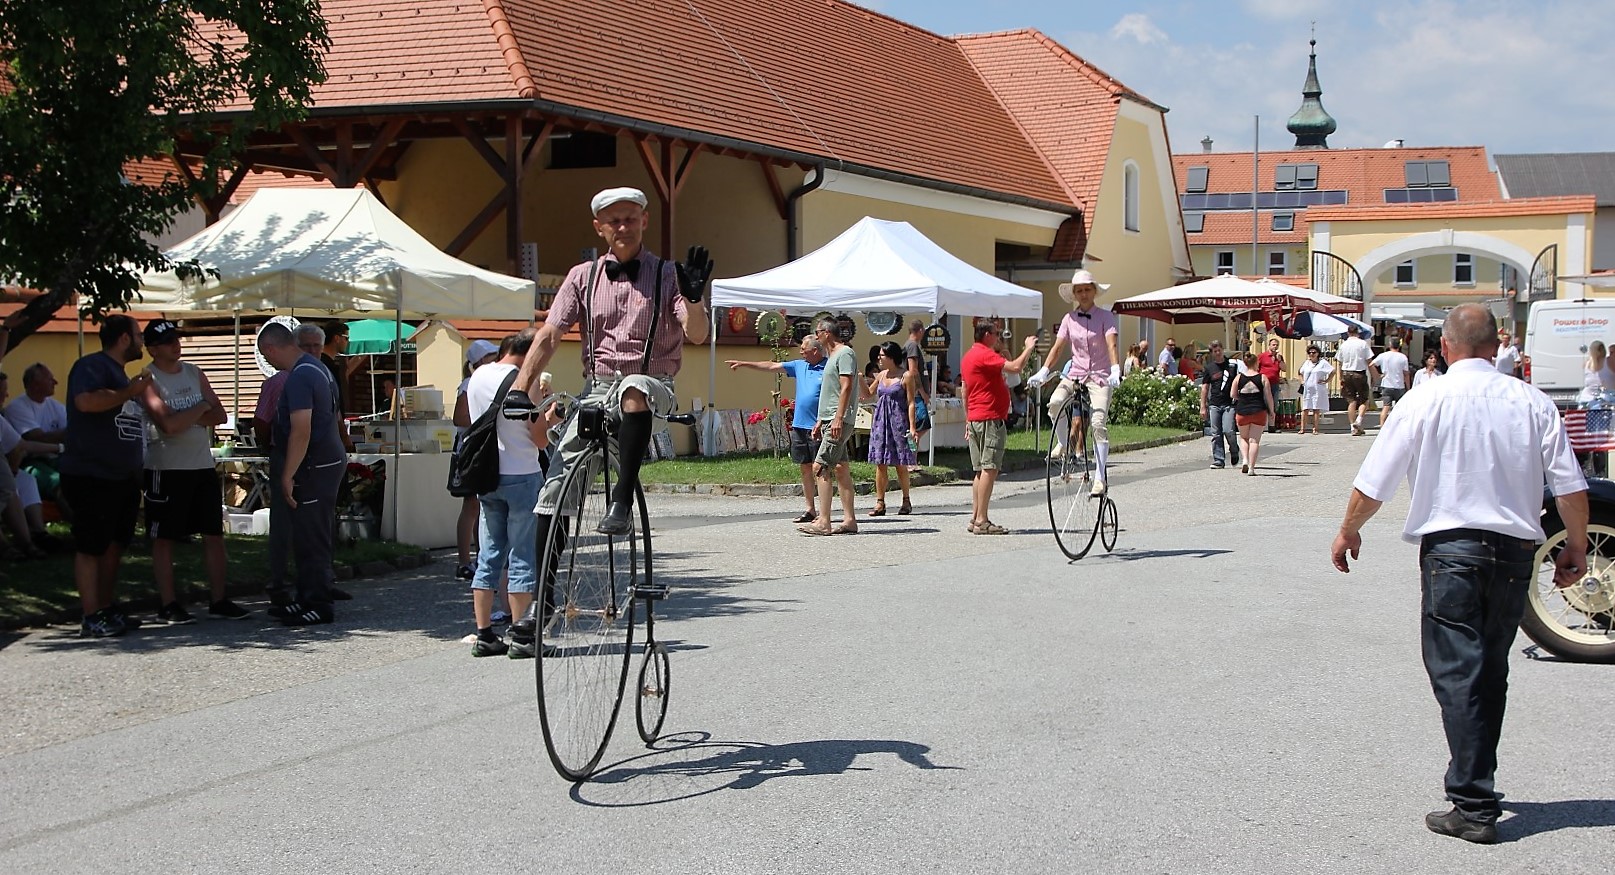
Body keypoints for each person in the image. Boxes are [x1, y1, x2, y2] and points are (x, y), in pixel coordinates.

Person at [1331, 303, 1588, 845]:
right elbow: (1570, 488)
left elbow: (1374, 478)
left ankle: (1472, 802)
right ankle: (1477, 782)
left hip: (1453, 550)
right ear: (1496, 348)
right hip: (1516, 552)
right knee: (1489, 669)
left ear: (1444, 349)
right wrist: (1578, 548)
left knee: (1457, 672)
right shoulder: (1533, 402)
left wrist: (1349, 530)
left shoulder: (1424, 398)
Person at [513, 186, 711, 543]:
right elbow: (550, 334)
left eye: (631, 219)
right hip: (597, 390)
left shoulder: (668, 275)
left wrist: (694, 299)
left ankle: (620, 503)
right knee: (553, 494)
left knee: (634, 387)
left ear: (644, 221)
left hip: (654, 386)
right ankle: (544, 598)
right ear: (599, 227)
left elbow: (696, 333)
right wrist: (518, 389)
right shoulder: (581, 277)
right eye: (614, 221)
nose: (623, 227)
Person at [135, 320, 251, 624]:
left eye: (177, 338)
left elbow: (220, 414)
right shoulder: (147, 379)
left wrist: (192, 412)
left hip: (200, 465)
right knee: (165, 538)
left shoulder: (194, 373)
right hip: (167, 467)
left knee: (213, 534)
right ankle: (168, 603)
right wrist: (200, 409)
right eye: (168, 340)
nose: (176, 344)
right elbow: (168, 425)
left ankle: (219, 599)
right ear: (153, 348)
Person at [60, 315, 153, 637]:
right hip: (91, 474)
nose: (143, 342)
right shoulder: (91, 367)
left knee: (114, 545)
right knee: (91, 546)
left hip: (121, 478)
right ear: (124, 339)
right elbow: (85, 402)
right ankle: (90, 615)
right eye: (139, 335)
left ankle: (105, 607)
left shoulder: (119, 375)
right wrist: (130, 391)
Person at [464, 328, 553, 658]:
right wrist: (550, 410)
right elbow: (540, 438)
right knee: (522, 557)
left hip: (486, 475)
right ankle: (522, 636)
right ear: (532, 354)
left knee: (488, 555)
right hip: (521, 473)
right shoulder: (525, 381)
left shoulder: (478, 376)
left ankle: (484, 633)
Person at [258, 321, 347, 626]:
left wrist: (287, 474)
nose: (268, 362)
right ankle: (305, 596)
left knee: (312, 536)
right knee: (309, 533)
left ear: (271, 348)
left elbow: (301, 429)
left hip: (314, 464)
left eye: (266, 356)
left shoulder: (300, 376)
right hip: (325, 460)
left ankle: (318, 603)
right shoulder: (316, 367)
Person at [1028, 269, 1121, 495]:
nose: (1083, 294)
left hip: (1099, 375)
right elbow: (1058, 347)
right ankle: (1063, 443)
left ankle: (1100, 478)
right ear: (1075, 294)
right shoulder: (1068, 319)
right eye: (1079, 290)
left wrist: (1116, 367)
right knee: (1055, 403)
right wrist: (1044, 371)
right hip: (1076, 373)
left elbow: (1111, 344)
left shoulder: (1106, 316)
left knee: (1098, 423)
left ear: (1094, 292)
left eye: (1087, 289)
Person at [727, 335, 826, 524]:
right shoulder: (799, 365)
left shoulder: (828, 367)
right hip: (800, 425)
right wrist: (744, 363)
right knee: (805, 467)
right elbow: (772, 366)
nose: (801, 351)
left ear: (815, 350)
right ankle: (810, 509)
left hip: (818, 426)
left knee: (820, 469)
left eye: (804, 348)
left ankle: (824, 511)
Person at [963, 321, 1038, 534]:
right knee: (990, 468)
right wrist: (1029, 348)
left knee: (979, 471)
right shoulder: (985, 354)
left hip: (976, 417)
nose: (999, 338)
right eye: (996, 334)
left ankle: (975, 516)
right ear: (987, 335)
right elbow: (1016, 368)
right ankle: (982, 520)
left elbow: (965, 389)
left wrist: (967, 418)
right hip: (989, 417)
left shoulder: (969, 355)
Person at [799, 319, 860, 536]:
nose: (815, 337)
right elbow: (831, 391)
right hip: (829, 419)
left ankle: (824, 521)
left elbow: (846, 387)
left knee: (820, 467)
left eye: (817, 332)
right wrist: (821, 419)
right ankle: (850, 520)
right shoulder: (832, 356)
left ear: (826, 333)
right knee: (841, 468)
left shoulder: (845, 354)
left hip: (838, 420)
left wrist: (837, 418)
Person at [452, 338, 500, 581]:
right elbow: (460, 418)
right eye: (491, 356)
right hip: (471, 449)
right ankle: (463, 560)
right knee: (471, 505)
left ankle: (481, 556)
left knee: (480, 505)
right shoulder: (470, 384)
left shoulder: (485, 382)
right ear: (480, 361)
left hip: (482, 447)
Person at [0, 371, 61, 559]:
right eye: (2, 391)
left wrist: (60, 447)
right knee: (10, 484)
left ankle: (32, 537)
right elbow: (33, 439)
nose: (6, 395)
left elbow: (18, 446)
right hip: (33, 462)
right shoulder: (18, 407)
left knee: (18, 483)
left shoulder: (1, 419)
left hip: (29, 462)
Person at [4, 362, 71, 521]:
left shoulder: (56, 406)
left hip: (56, 458)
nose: (56, 382)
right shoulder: (17, 407)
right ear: (34, 385)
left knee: (81, 475)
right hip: (30, 462)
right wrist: (70, 433)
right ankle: (81, 529)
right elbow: (36, 437)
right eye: (50, 379)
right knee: (58, 483)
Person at [865, 341, 918, 516]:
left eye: (882, 355)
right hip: (881, 422)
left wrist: (912, 426)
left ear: (891, 357)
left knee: (900, 463)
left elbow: (911, 402)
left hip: (898, 422)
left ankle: (906, 500)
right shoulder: (881, 375)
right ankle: (880, 502)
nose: (879, 358)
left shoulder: (906, 376)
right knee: (880, 463)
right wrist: (858, 379)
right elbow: (867, 394)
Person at [1199, 340, 1240, 468]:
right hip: (1214, 404)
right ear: (1211, 353)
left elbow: (1239, 381)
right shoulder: (1209, 368)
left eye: (1219, 350)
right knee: (1216, 433)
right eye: (1215, 351)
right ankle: (1219, 459)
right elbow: (1205, 388)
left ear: (1223, 350)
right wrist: (1203, 406)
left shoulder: (1232, 365)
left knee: (1228, 430)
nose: (1218, 353)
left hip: (1229, 403)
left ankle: (1234, 449)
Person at [1231, 352, 1274, 474]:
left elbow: (1232, 394)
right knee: (1254, 440)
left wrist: (1242, 398)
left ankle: (1244, 460)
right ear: (1256, 363)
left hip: (1242, 411)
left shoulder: (1239, 377)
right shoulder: (1262, 378)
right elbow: (1269, 396)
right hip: (1259, 411)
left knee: (1244, 438)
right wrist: (1272, 411)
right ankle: (1251, 467)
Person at [320, 321, 355, 451]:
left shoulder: (328, 364)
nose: (348, 342)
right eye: (346, 338)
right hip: (329, 433)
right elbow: (334, 405)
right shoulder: (325, 366)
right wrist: (344, 436)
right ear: (336, 338)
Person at [1335, 327, 1373, 436]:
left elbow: (1340, 363)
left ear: (1348, 333)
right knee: (1364, 400)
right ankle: (1359, 420)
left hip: (1346, 373)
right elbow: (1369, 361)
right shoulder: (1363, 344)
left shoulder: (1343, 345)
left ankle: (1353, 428)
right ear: (1358, 333)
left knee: (1351, 401)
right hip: (1359, 373)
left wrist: (1340, 377)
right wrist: (1375, 375)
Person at [1370, 336, 1411, 427]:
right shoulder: (1403, 357)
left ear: (1390, 344)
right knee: (1400, 408)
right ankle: (1398, 426)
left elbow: (1371, 364)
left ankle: (1382, 425)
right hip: (1399, 385)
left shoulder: (1384, 355)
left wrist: (1377, 376)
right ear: (1399, 346)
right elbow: (1406, 374)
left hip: (1386, 385)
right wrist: (1408, 388)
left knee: (1386, 407)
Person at [1297, 344, 1334, 435]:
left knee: (1316, 409)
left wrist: (1327, 380)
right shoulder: (1306, 363)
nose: (1311, 354)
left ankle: (1315, 428)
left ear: (1318, 353)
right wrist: (1302, 381)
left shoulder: (1323, 363)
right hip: (1307, 389)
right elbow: (1300, 372)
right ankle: (1302, 428)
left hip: (1317, 388)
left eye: (1314, 352)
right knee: (1305, 409)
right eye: (1309, 352)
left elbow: (1333, 371)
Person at [1258, 336, 1285, 433]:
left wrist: (1280, 360)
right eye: (1273, 345)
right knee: (1264, 403)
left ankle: (1272, 426)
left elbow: (1284, 369)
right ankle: (1262, 426)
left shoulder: (1279, 357)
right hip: (1264, 383)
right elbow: (1257, 368)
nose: (1275, 347)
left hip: (1275, 384)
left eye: (1277, 345)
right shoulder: (1262, 356)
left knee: (1273, 404)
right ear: (1269, 345)